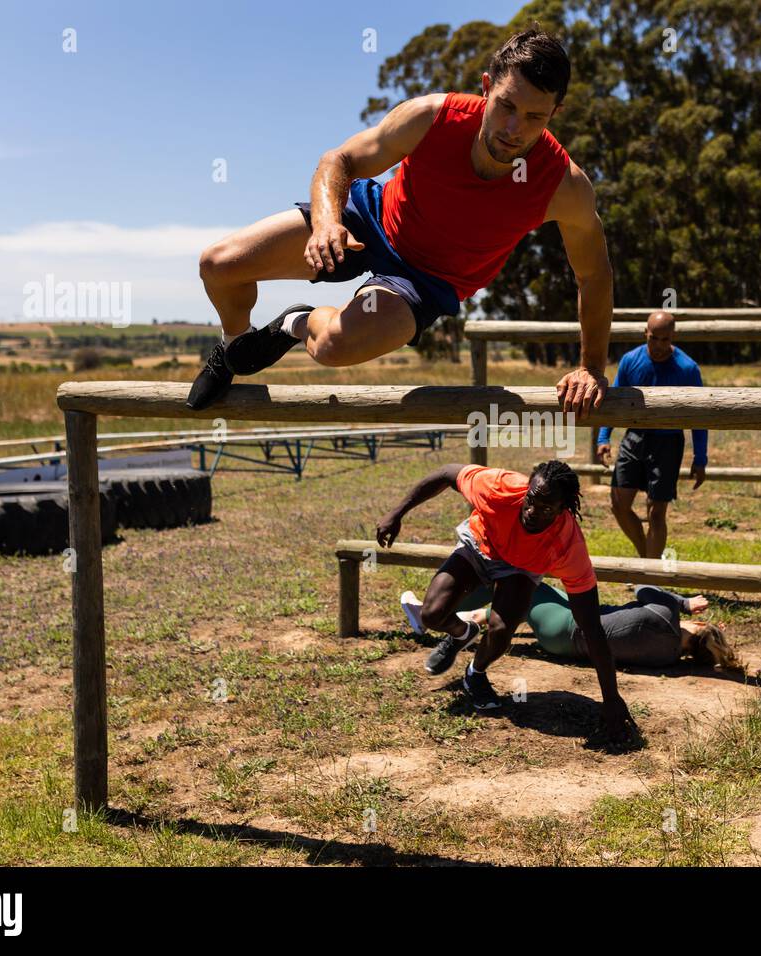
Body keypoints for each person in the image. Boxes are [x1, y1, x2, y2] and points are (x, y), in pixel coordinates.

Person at [187, 27, 612, 422]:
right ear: (486, 88)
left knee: (333, 346)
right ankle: (234, 348)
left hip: (425, 280)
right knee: (218, 264)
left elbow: (593, 274)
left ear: (555, 112)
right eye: (506, 106)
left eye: (535, 117)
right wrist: (327, 223)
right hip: (369, 220)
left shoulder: (563, 185)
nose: (514, 129)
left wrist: (591, 366)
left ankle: (294, 323)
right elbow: (339, 160)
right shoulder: (431, 117)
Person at [375, 460, 637, 745]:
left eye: (547, 508)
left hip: (521, 569)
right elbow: (445, 472)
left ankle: (475, 674)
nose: (532, 512)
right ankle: (464, 632)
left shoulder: (567, 546)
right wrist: (396, 512)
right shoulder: (499, 488)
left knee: (501, 629)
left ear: (563, 510)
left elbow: (591, 627)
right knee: (431, 615)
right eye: (531, 500)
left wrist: (611, 698)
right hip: (479, 545)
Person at [401, 583, 743, 671]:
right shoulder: (669, 659)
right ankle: (470, 622)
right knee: (538, 601)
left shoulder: (665, 616)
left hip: (568, 626)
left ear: (697, 624)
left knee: (524, 584)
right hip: (569, 645)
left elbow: (641, 589)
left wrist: (682, 603)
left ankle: (433, 613)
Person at [596, 310, 708, 560]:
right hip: (634, 437)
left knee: (656, 513)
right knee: (619, 504)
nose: (658, 345)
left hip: (668, 442)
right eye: (653, 338)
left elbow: (700, 416)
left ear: (673, 337)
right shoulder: (629, 361)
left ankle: (650, 575)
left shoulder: (688, 369)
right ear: (645, 334)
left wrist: (700, 457)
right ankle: (647, 561)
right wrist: (604, 438)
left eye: (664, 339)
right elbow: (612, 399)